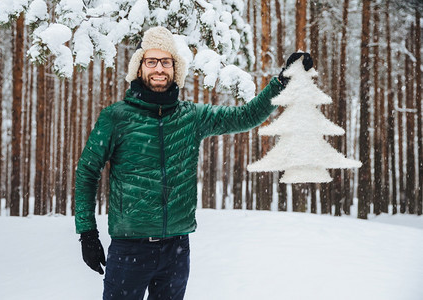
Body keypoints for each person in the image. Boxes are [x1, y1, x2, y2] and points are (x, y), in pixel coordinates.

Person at [75, 26, 313, 300]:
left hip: (176, 249)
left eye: (166, 62)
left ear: (175, 69)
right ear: (139, 67)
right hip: (130, 248)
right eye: (151, 61)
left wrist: (282, 82)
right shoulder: (116, 117)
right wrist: (87, 234)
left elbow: (246, 116)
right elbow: (87, 172)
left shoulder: (191, 116)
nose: (159, 68)